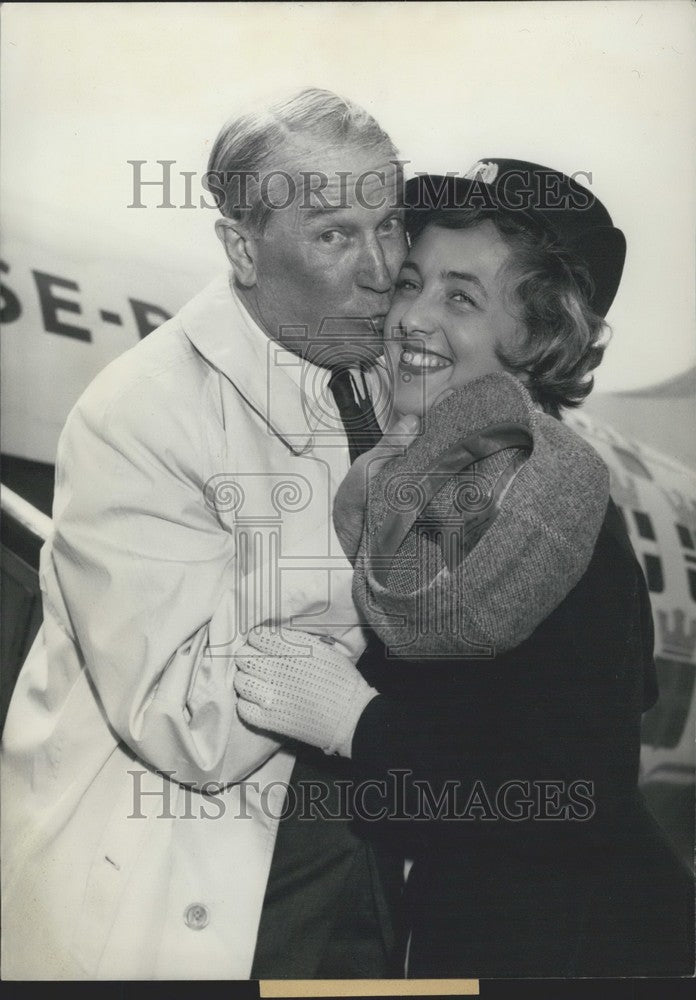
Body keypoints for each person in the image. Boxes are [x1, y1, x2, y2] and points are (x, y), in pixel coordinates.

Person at [234, 160, 696, 977]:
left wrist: (358, 726)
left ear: (539, 337)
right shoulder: (421, 486)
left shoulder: (556, 517)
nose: (409, 317)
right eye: (410, 282)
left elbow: (571, 800)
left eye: (460, 297)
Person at [1, 88, 409, 980]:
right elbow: (190, 723)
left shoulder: (377, 379)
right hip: (191, 911)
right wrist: (385, 542)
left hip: (364, 904)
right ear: (241, 248)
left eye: (390, 227)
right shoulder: (144, 410)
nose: (381, 270)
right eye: (336, 235)